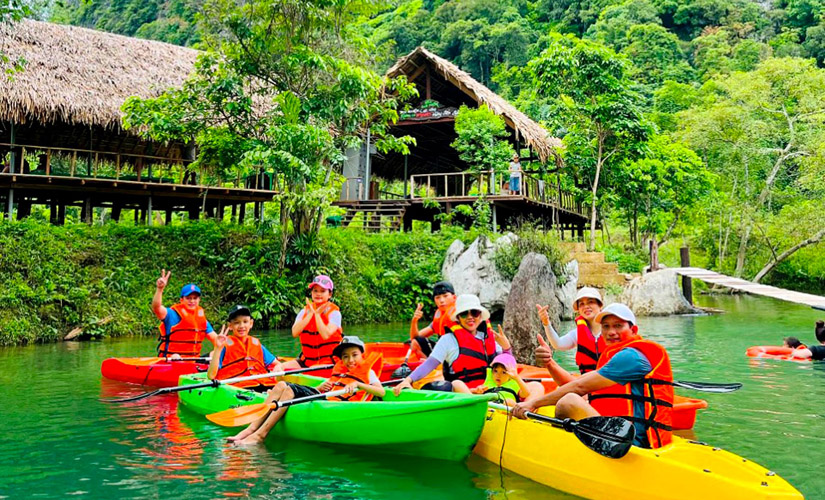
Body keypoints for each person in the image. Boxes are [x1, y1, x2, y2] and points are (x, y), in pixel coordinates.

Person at [514, 303, 674, 449]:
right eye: (605, 326)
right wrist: (550, 363)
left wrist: (533, 403)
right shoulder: (617, 355)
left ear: (634, 330)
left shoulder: (632, 357)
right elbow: (578, 383)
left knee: (568, 402)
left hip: (634, 443)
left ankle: (558, 449)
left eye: (618, 326)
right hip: (618, 432)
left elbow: (579, 387)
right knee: (571, 397)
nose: (611, 332)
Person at [228, 336, 385, 445]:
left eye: (354, 355)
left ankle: (260, 435)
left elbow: (381, 392)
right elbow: (329, 389)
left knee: (288, 390)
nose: (350, 360)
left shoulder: (368, 372)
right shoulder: (341, 370)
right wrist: (319, 388)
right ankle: (251, 429)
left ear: (362, 355)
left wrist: (359, 386)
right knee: (281, 386)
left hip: (335, 405)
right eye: (345, 356)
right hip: (324, 397)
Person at [393, 294, 512, 394]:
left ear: (480, 316)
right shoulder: (448, 340)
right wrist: (408, 380)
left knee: (531, 386)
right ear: (458, 317)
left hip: (491, 388)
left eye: (474, 313)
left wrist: (507, 349)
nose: (470, 317)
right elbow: (429, 364)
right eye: (465, 314)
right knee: (456, 383)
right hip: (464, 392)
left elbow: (508, 368)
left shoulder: (489, 337)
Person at [536, 287, 604, 385]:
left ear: (600, 305)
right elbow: (558, 344)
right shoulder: (577, 333)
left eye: (591, 302)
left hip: (610, 381)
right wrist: (546, 323)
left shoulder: (611, 332)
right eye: (582, 304)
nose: (586, 306)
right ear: (579, 310)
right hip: (588, 384)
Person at [207, 305, 283, 391]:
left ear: (251, 324)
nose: (241, 326)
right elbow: (211, 376)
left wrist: (278, 367)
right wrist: (217, 348)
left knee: (283, 387)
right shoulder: (224, 345)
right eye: (236, 322)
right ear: (230, 326)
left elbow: (277, 364)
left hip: (262, 384)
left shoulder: (256, 344)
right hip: (238, 387)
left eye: (245, 321)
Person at [152, 269, 217, 359]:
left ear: (199, 300)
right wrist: (160, 289)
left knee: (219, 353)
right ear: (182, 300)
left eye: (195, 298)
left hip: (193, 361)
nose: (192, 301)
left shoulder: (201, 319)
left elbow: (215, 338)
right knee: (176, 356)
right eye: (188, 298)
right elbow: (157, 308)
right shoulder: (172, 314)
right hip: (171, 360)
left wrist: (227, 345)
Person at [283, 275, 343, 370]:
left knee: (315, 369)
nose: (318, 294)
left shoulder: (335, 313)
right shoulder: (304, 312)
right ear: (311, 293)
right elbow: (294, 332)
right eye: (315, 291)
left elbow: (325, 334)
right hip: (307, 361)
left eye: (323, 291)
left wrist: (317, 315)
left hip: (330, 362)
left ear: (330, 294)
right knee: (279, 367)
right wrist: (311, 313)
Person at [457, 353, 541, 406]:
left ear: (511, 374)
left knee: (509, 402)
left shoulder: (514, 382)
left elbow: (526, 394)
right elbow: (471, 393)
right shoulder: (488, 381)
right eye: (495, 371)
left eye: (504, 372)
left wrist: (517, 378)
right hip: (486, 404)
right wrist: (475, 390)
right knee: (457, 383)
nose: (498, 375)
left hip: (504, 407)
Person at [409, 281, 457, 358]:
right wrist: (414, 320)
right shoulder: (439, 317)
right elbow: (414, 338)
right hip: (443, 352)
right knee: (415, 342)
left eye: (445, 296)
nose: (441, 300)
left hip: (457, 352)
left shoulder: (460, 313)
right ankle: (430, 367)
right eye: (438, 297)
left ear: (454, 297)